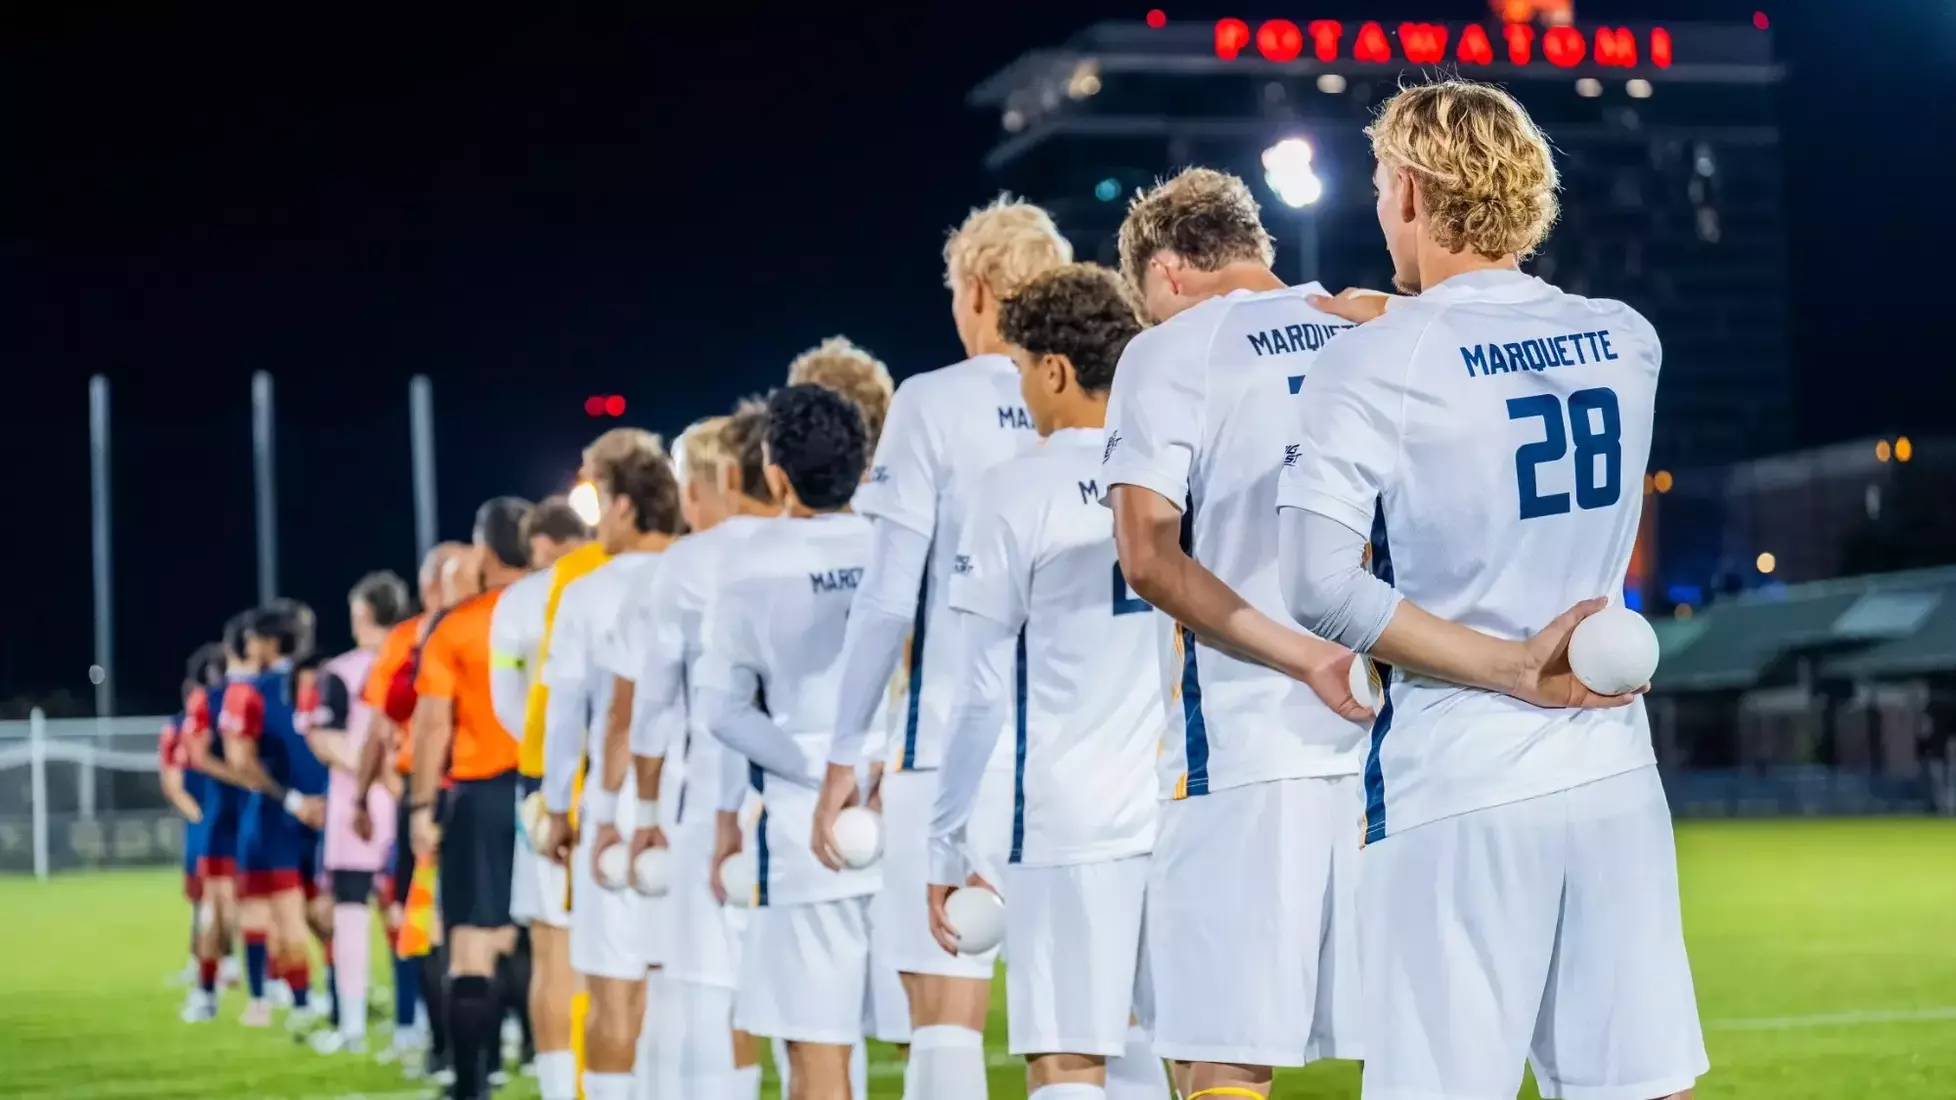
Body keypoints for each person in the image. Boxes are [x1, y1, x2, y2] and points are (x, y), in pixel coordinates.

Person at [1274, 79, 1705, 1100]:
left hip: (1455, 781)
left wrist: (1510, 665)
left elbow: (1318, 584)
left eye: (1381, 185)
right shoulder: (1628, 337)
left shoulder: (1369, 363)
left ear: (1413, 191)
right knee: (1640, 1087)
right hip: (1611, 769)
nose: (1380, 208)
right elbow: (1497, 351)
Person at [1097, 166, 1372, 1100]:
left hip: (1248, 746)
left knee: (1220, 1049)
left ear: (1166, 271)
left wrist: (1306, 656)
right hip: (1392, 744)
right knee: (1411, 1045)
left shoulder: (1172, 350)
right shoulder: (1368, 327)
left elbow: (1147, 557)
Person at [815, 196, 1073, 1100]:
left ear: (978, 291)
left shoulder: (931, 400)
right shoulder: (1107, 395)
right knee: (1093, 1021)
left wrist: (845, 753)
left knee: (944, 1010)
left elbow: (887, 600)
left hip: (953, 740)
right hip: (1085, 748)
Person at [925, 263, 1169, 1100]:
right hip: (1176, 804)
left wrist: (947, 842)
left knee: (1067, 1056)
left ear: (1056, 370)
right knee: (1185, 1053)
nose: (1022, 390)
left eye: (1024, 369)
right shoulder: (1174, 468)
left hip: (1068, 821)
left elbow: (979, 693)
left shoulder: (1013, 487)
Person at [698, 384, 876, 1100]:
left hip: (811, 829)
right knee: (936, 1036)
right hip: (907, 803)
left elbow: (722, 711)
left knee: (817, 1051)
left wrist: (817, 767)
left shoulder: (749, 563)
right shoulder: (897, 543)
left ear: (775, 475)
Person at [632, 405, 778, 1100]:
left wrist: (642, 812)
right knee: (811, 1011)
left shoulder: (689, 563)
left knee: (709, 991)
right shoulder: (810, 540)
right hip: (806, 796)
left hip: (714, 792)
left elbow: (654, 705)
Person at [544, 430, 683, 1100]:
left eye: (598, 496)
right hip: (702, 801)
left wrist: (559, 808)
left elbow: (571, 718)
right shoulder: (703, 573)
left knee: (612, 988)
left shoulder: (590, 592)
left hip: (623, 800)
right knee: (689, 991)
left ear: (625, 504)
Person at [410, 499, 534, 1100]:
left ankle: (470, 1084)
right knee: (548, 940)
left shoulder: (457, 625)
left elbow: (432, 725)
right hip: (554, 790)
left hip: (481, 794)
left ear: (484, 552)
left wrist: (420, 807)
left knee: (470, 944)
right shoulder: (561, 607)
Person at [491, 494, 596, 1100]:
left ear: (538, 544)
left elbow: (508, 704)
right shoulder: (621, 576)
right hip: (624, 776)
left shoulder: (520, 600)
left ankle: (561, 1089)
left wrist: (546, 754)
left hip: (545, 783)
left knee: (553, 949)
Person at [355, 540, 468, 1079]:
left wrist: (368, 795)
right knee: (473, 921)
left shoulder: (412, 639)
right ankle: (487, 1045)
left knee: (431, 921)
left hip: (434, 794)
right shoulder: (496, 618)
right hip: (478, 787)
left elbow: (385, 726)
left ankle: (449, 1048)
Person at [304, 570, 413, 1055]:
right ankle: (412, 1022)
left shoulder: (340, 672)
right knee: (408, 913)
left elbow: (324, 738)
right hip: (408, 800)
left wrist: (366, 768)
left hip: (357, 807)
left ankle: (351, 1025)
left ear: (363, 613)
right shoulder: (413, 658)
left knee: (351, 915)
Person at [222, 603, 331, 1029]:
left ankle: (279, 1003)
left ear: (269, 642)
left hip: (274, 815)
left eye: (253, 639)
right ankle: (341, 1001)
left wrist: (291, 800)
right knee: (328, 911)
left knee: (272, 911)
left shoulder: (247, 692)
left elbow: (240, 761)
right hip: (327, 811)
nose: (249, 647)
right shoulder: (326, 681)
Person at [181, 616, 262, 1015]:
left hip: (259, 815)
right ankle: (207, 989)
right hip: (229, 815)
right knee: (220, 907)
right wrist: (250, 779)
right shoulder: (213, 700)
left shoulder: (265, 693)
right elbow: (199, 756)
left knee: (271, 906)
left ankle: (273, 990)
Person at [164, 642, 226, 1018]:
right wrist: (200, 816)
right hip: (210, 822)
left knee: (255, 900)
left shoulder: (238, 712)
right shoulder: (180, 728)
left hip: (234, 819)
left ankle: (265, 980)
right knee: (207, 901)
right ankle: (206, 974)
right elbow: (173, 783)